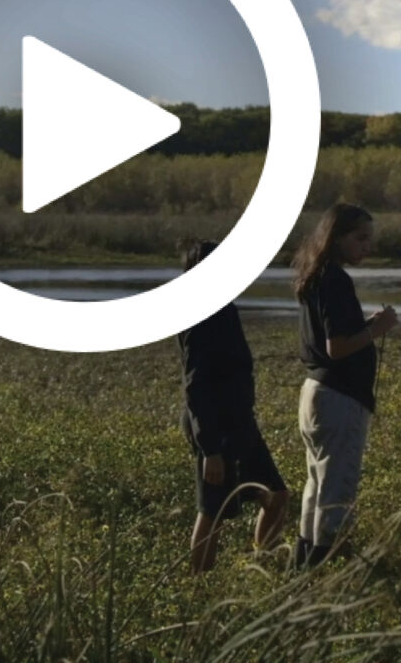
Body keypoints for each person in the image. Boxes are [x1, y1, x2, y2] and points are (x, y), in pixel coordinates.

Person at [292, 202, 397, 568]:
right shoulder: (336, 279)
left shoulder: (316, 274)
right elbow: (337, 348)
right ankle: (328, 572)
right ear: (337, 238)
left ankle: (302, 564)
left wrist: (363, 327)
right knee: (337, 490)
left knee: (316, 485)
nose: (367, 246)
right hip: (339, 397)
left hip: (315, 392)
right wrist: (377, 330)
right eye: (360, 238)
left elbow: (331, 337)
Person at [176, 238, 290, 574]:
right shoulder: (201, 313)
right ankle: (198, 585)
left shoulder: (222, 306)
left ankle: (260, 567)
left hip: (240, 422)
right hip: (216, 426)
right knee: (212, 511)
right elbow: (195, 385)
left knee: (276, 495)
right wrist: (210, 448)